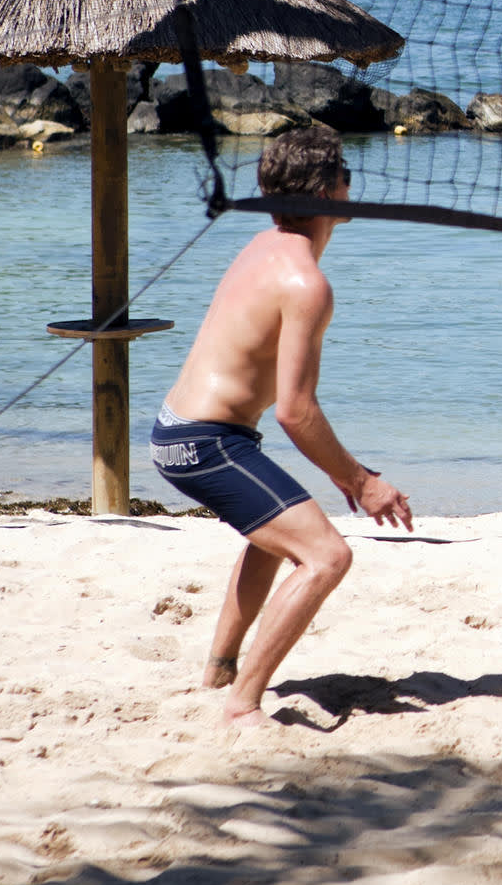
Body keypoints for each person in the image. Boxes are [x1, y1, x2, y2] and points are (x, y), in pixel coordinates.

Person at [152, 123, 413, 725]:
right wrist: (363, 481)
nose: (354, 183)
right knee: (326, 557)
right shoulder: (307, 284)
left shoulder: (264, 245)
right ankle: (242, 706)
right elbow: (296, 412)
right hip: (205, 442)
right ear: (324, 194)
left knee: (272, 527)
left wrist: (349, 475)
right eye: (346, 174)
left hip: (183, 431)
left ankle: (220, 669)